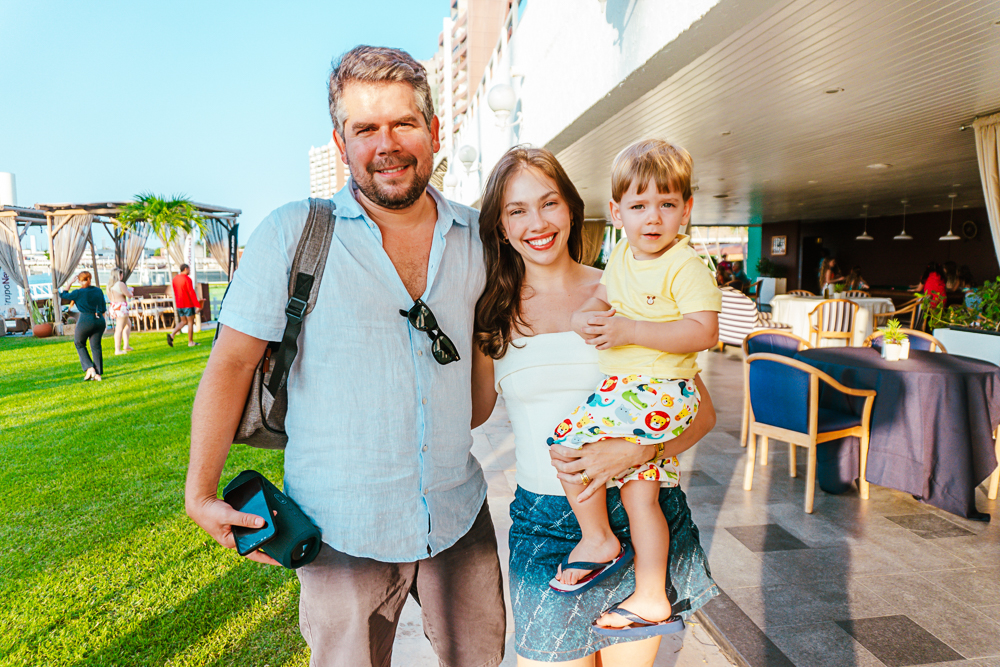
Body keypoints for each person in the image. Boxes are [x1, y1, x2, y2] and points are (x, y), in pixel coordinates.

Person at [185, 46, 505, 667]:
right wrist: (200, 492)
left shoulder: (478, 240)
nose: (387, 144)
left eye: (404, 123)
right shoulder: (290, 233)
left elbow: (480, 383)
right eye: (366, 129)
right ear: (341, 142)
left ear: (435, 131)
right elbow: (230, 364)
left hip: (458, 514)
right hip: (340, 528)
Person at [473, 146, 718, 664]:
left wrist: (638, 453)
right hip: (544, 524)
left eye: (549, 203)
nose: (537, 223)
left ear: (572, 209)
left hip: (636, 512)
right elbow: (470, 414)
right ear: (500, 225)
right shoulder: (489, 312)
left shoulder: (626, 286)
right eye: (517, 210)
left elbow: (704, 413)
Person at [549, 139, 718, 633]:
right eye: (639, 205)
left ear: (685, 210)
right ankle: (650, 596)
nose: (653, 218)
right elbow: (604, 298)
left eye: (666, 205)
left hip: (658, 389)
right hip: (632, 390)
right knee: (640, 494)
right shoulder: (622, 253)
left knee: (565, 444)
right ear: (617, 211)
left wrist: (631, 331)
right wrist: (587, 317)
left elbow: (704, 330)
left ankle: (598, 540)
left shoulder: (685, 265)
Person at [59, 271, 106, 381]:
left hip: (85, 319)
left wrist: (70, 283)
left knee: (79, 343)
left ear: (79, 281)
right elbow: (103, 308)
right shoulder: (98, 291)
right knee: (96, 347)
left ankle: (90, 367)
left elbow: (63, 295)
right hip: (99, 320)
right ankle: (98, 374)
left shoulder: (78, 293)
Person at [168, 263, 202, 347]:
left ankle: (172, 335)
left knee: (183, 321)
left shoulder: (175, 279)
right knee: (190, 322)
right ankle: (190, 342)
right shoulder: (187, 279)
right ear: (185, 269)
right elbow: (191, 293)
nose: (190, 271)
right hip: (188, 304)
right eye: (189, 269)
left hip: (179, 304)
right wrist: (197, 304)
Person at [106, 268, 134, 354]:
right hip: (121, 307)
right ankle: (117, 349)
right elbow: (129, 295)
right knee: (119, 328)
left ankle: (126, 345)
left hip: (114, 306)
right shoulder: (120, 284)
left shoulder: (109, 286)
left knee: (128, 324)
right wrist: (130, 291)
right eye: (121, 274)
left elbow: (110, 298)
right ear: (119, 275)